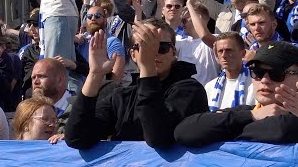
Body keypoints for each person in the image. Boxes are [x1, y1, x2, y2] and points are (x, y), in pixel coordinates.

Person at [65, 20, 208, 149]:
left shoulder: (190, 90)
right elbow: (77, 138)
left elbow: (158, 138)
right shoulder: (122, 96)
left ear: (174, 53)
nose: (153, 54)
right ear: (133, 55)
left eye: (162, 47)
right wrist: (95, 74)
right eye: (145, 47)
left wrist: (147, 67)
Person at [174, 41, 298, 145]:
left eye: (276, 73)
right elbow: (184, 132)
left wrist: (221, 129)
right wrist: (253, 117)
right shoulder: (247, 112)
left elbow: (280, 130)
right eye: (257, 72)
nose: (264, 80)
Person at [205, 32, 253, 111]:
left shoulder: (255, 84)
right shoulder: (209, 87)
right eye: (220, 51)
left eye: (229, 50)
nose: (224, 55)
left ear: (243, 53)